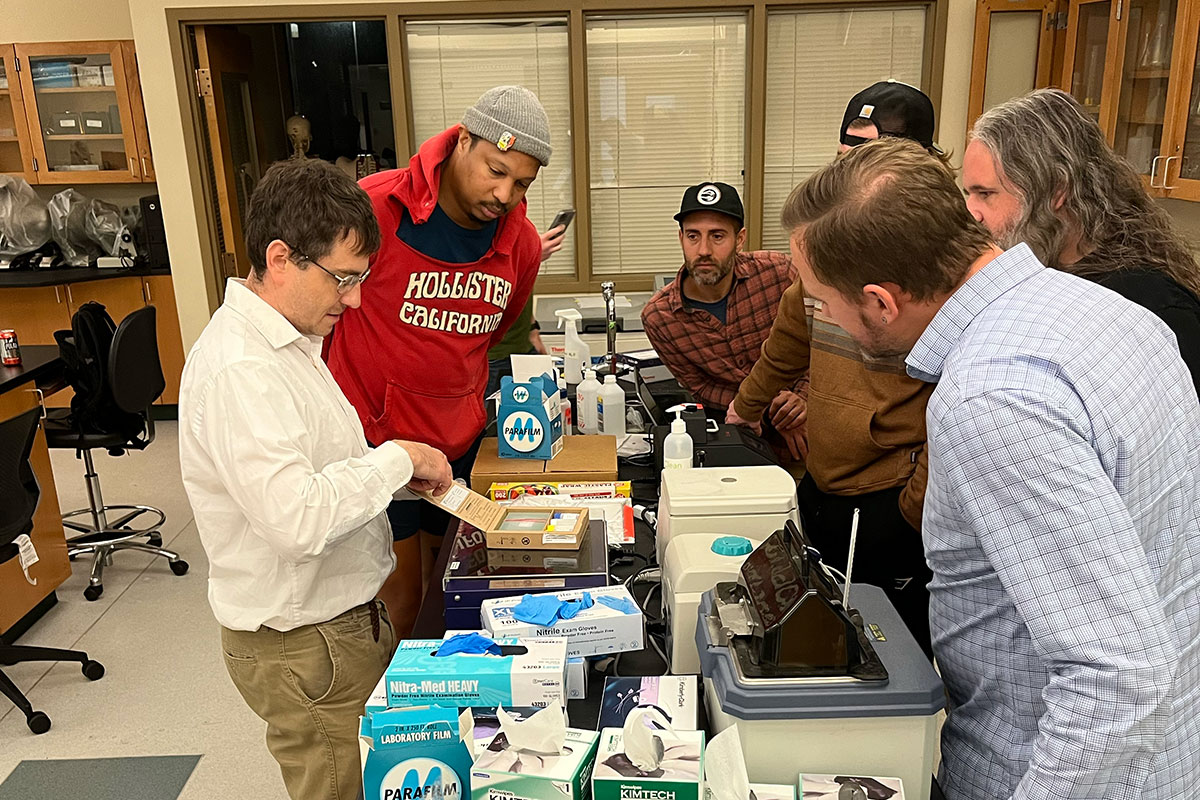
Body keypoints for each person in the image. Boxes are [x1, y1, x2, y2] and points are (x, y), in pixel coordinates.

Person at [784, 136, 1200, 800]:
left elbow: (1114, 676)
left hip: (1050, 773)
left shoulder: (991, 398)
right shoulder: (1112, 314)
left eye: (823, 302)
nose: (825, 319)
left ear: (881, 302)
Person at [178, 158, 455, 800]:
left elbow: (316, 470)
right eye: (343, 279)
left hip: (339, 622)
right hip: (304, 641)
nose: (354, 300)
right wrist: (397, 460)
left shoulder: (290, 341)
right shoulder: (241, 371)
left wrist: (385, 478)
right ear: (281, 259)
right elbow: (297, 522)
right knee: (339, 786)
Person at [726, 81, 944, 657]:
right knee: (820, 647)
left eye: (869, 151)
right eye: (847, 148)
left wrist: (911, 510)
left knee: (894, 659)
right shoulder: (833, 242)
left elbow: (957, 408)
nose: (851, 165)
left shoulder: (932, 266)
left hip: (892, 499)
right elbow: (789, 339)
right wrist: (744, 410)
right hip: (823, 485)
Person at [324, 86, 551, 636]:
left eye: (522, 183)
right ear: (463, 141)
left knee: (454, 598)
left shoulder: (519, 243)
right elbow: (318, 308)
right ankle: (398, 719)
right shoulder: (374, 207)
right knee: (398, 603)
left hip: (454, 448)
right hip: (374, 445)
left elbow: (497, 334)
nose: (505, 194)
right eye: (495, 171)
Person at [964, 88, 1200, 388]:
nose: (972, 213)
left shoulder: (1147, 305)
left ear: (1056, 191)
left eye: (986, 194)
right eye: (968, 194)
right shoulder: (1045, 274)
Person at [640, 182, 806, 441]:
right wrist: (765, 404)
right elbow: (701, 387)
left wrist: (802, 398)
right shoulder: (660, 318)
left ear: (739, 239)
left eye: (717, 236)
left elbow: (820, 343)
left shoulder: (780, 274)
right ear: (681, 238)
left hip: (809, 418)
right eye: (693, 236)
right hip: (738, 429)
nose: (704, 250)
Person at [485, 225, 566, 397]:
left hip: (524, 347)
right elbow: (490, 285)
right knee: (491, 420)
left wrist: (533, 331)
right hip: (494, 355)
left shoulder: (516, 229)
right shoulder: (478, 231)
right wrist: (531, 256)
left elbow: (522, 288)